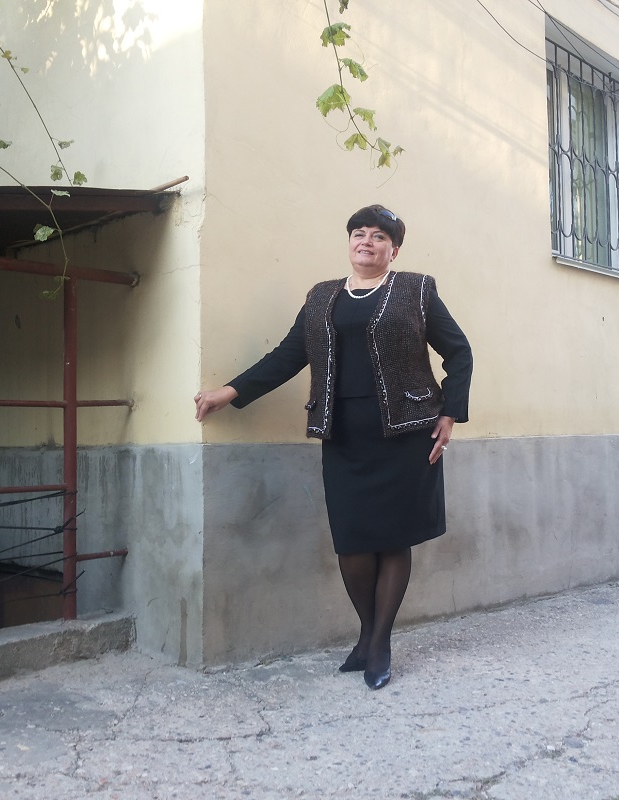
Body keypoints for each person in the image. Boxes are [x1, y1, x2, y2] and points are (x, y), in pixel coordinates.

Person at [194, 204, 472, 690]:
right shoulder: (322, 297)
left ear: (393, 250)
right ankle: (367, 632)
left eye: (379, 236)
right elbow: (287, 356)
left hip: (406, 435)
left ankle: (378, 643)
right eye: (359, 233)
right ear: (349, 243)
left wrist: (449, 413)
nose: (367, 241)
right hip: (343, 435)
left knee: (394, 539)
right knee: (353, 543)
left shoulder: (417, 290)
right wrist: (229, 393)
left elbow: (459, 352)